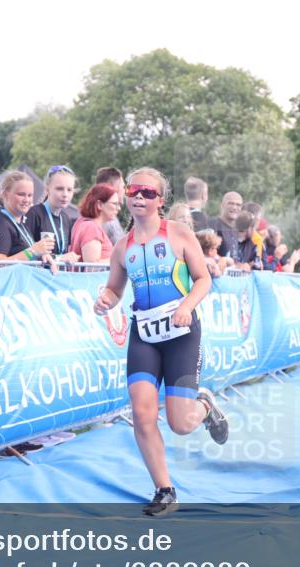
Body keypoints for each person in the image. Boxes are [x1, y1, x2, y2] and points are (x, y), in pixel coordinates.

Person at [93, 167, 229, 516]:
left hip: (182, 335)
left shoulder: (180, 235)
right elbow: (115, 288)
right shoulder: (123, 247)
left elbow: (203, 280)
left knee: (181, 424)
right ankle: (165, 490)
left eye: (148, 193)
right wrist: (106, 298)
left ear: (160, 200)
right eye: (134, 191)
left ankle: (205, 405)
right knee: (141, 412)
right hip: (145, 335)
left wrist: (186, 307)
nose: (139, 197)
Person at [0, 170, 55, 265]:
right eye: (21, 194)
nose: (26, 200)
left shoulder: (20, 222)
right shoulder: (0, 224)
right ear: (5, 194)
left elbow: (25, 256)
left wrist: (41, 256)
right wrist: (33, 251)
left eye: (30, 195)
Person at [28, 164, 79, 262]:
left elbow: (63, 252)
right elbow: (26, 253)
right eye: (59, 189)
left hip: (58, 276)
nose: (65, 194)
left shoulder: (65, 219)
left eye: (69, 190)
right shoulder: (33, 214)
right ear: (47, 189)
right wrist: (60, 258)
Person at [71, 184, 119, 263]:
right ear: (99, 205)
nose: (118, 208)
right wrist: (119, 260)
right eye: (115, 204)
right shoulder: (91, 227)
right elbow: (92, 266)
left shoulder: (83, 222)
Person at [95, 167, 126, 245]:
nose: (124, 191)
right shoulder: (106, 218)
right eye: (123, 187)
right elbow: (122, 252)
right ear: (112, 187)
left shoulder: (104, 213)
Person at [211, 191, 243, 256]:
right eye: (231, 203)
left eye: (238, 205)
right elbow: (205, 254)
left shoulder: (240, 230)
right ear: (222, 205)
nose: (234, 207)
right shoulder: (212, 225)